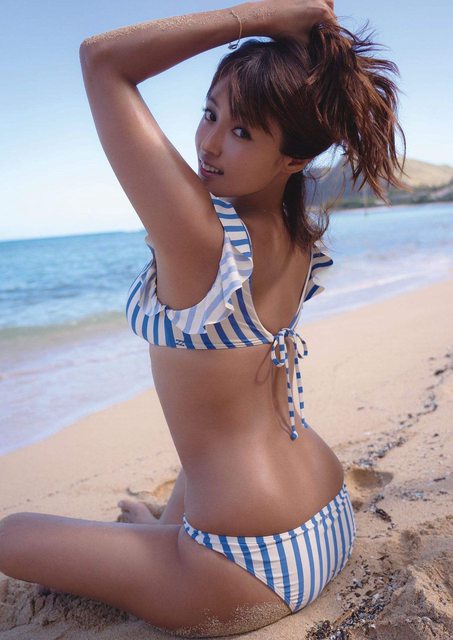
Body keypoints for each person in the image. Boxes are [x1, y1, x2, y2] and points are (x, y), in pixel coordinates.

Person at [0, 1, 408, 636]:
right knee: (215, 440)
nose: (210, 143)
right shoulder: (296, 234)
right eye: (209, 113)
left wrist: (263, 16)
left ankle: (164, 546)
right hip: (327, 515)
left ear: (293, 158)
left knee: (11, 536)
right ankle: (162, 536)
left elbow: (101, 60)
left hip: (245, 566)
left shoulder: (202, 239)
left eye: (242, 132)